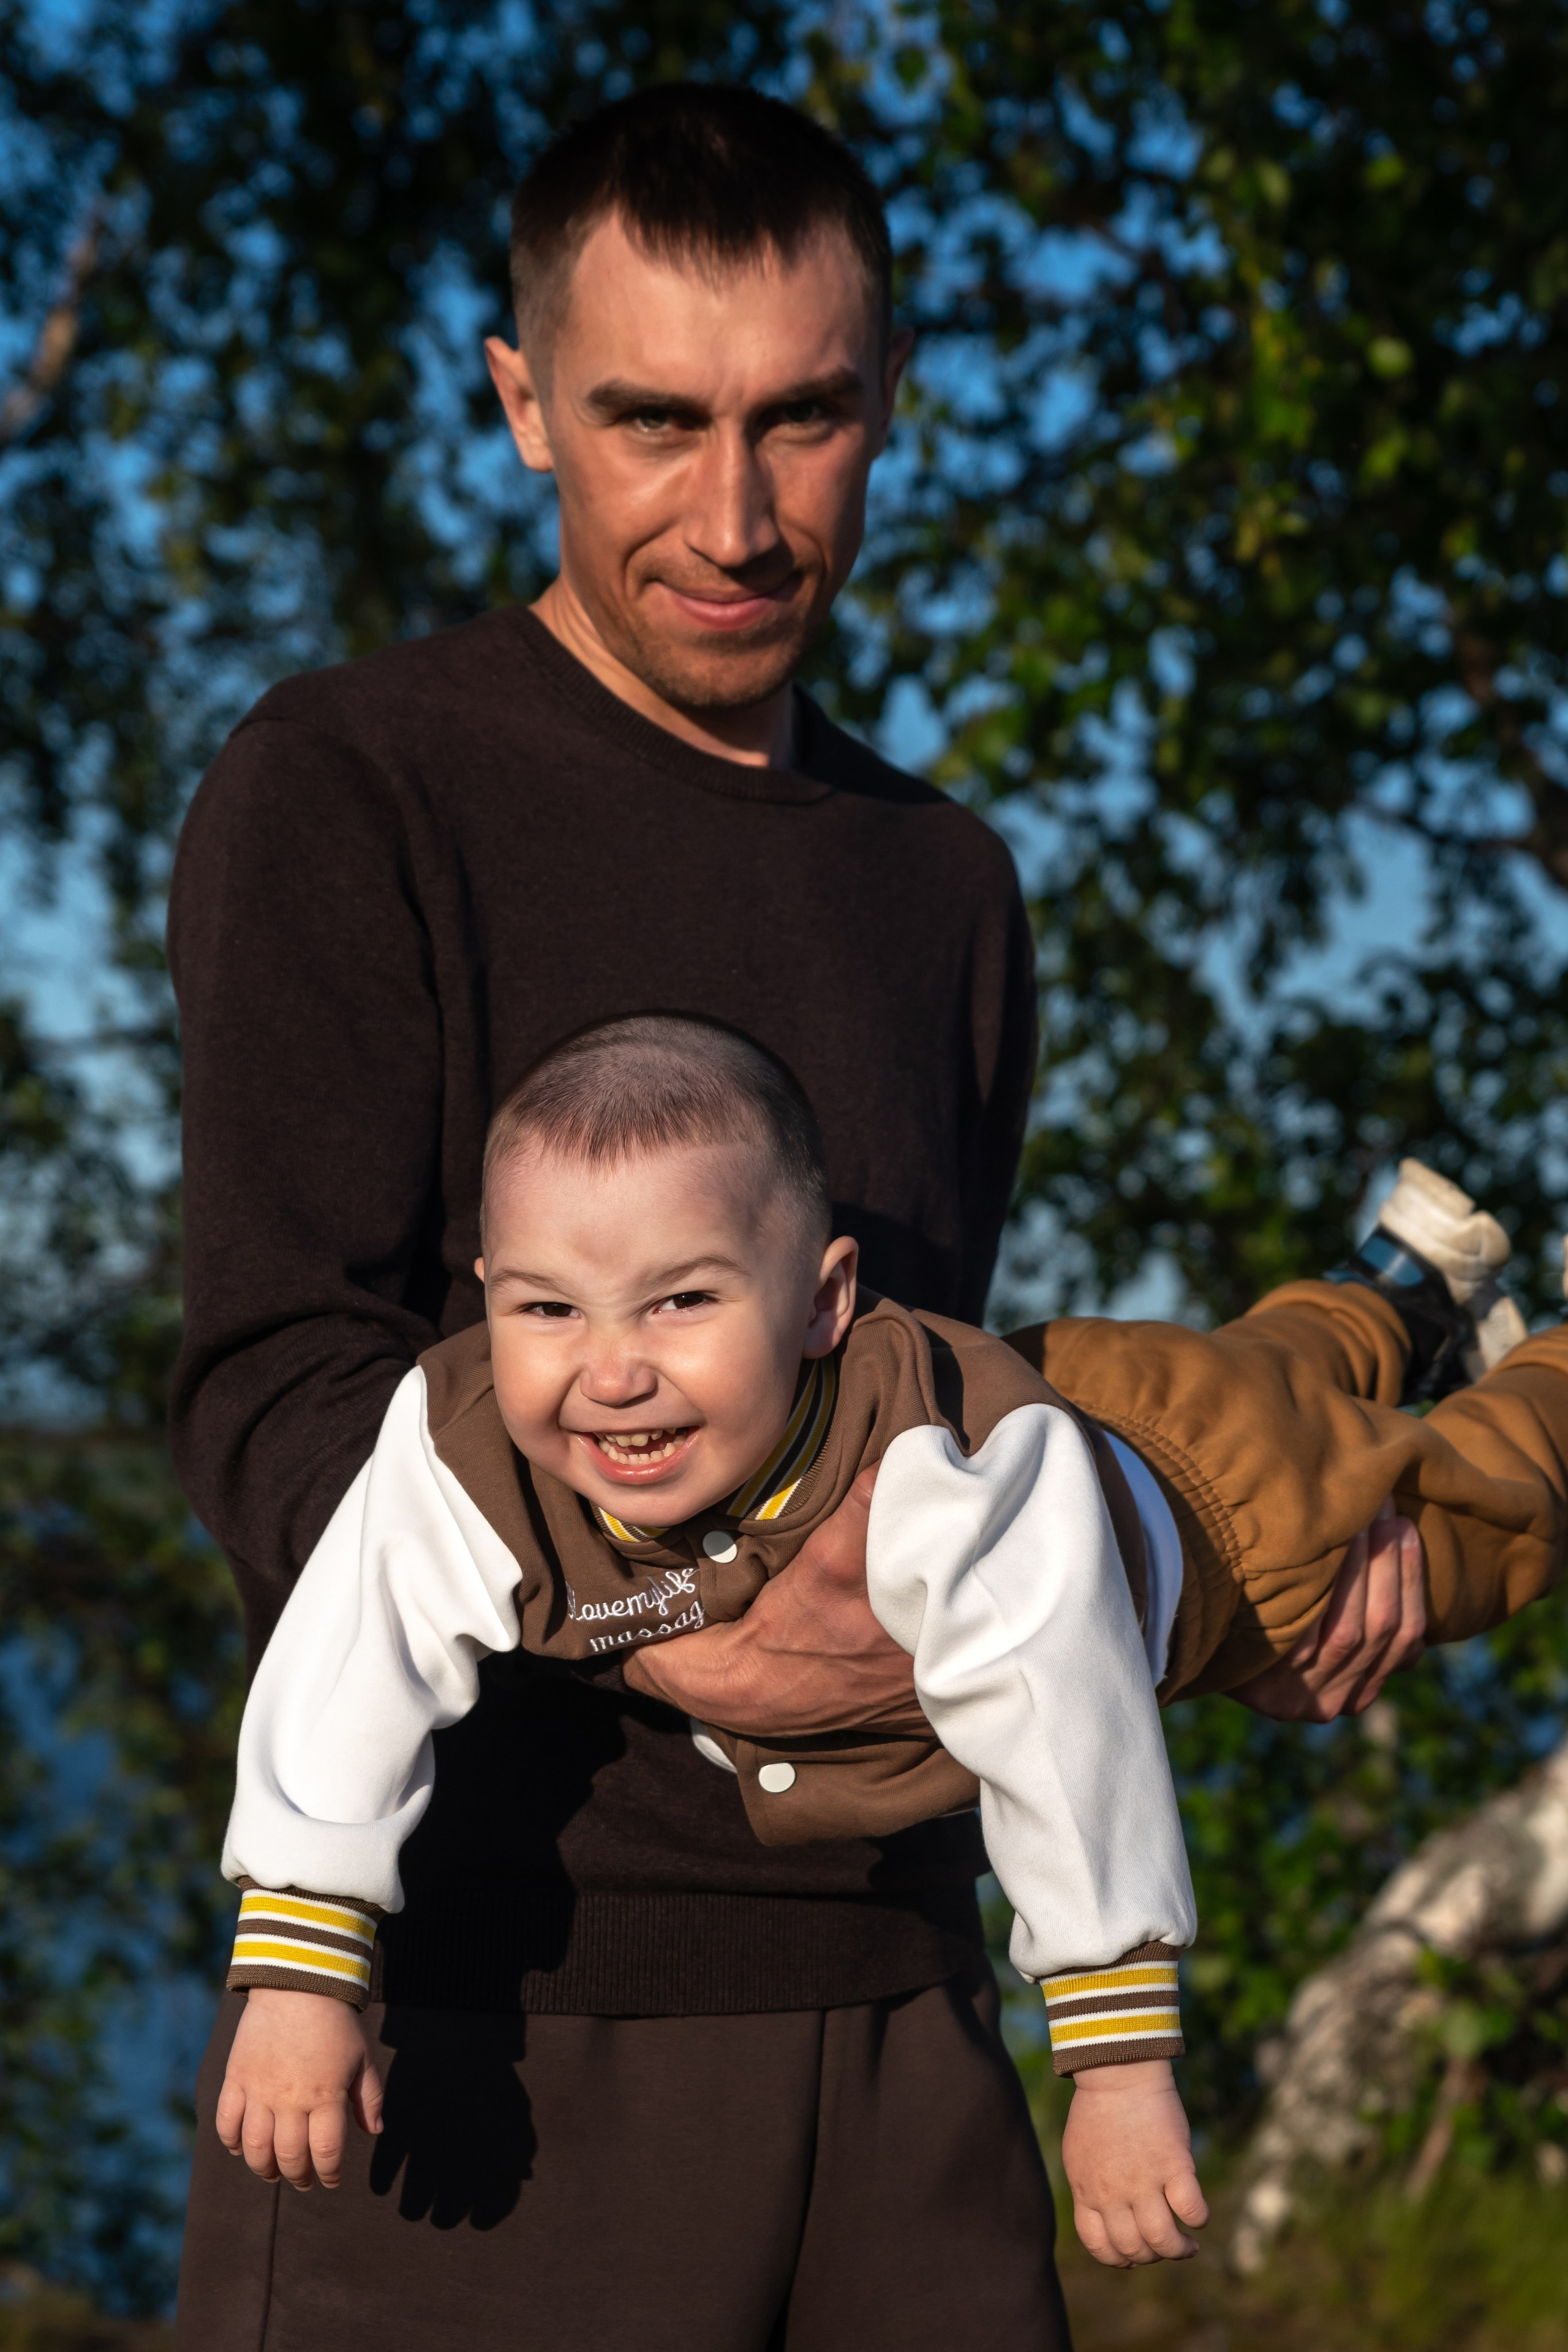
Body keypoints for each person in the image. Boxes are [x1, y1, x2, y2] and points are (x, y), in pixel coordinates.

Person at [169, 83, 1424, 2349]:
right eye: (655, 420)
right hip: (483, 2044)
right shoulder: (354, 786)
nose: (737, 517)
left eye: (806, 419)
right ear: (524, 402)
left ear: (890, 403)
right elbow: (275, 1401)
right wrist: (703, 1623)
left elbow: (942, 1429)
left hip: (919, 2024)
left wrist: (1237, 1553)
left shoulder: (945, 885)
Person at [211, 1016, 1564, 2275]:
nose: (609, 1371)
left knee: (1475, 1518)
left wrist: (1114, 2068)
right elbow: (351, 1656)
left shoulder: (933, 1476)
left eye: (682, 1303)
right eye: (548, 1310)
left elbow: (1061, 1729)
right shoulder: (455, 1441)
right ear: (487, 1295)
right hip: (1094, 1381)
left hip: (1226, 1520)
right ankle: (1400, 1284)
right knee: (1274, 1360)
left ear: (820, 1300)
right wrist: (298, 1967)